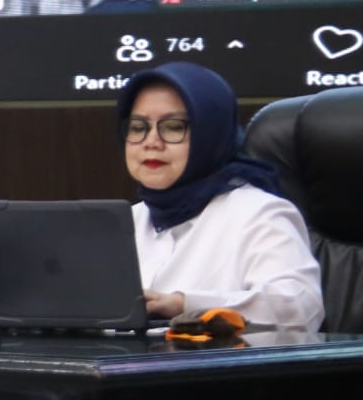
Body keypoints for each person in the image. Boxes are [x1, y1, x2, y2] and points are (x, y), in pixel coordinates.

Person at [116, 61, 322, 329]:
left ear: (210, 134)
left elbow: (300, 307)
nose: (151, 142)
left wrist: (184, 304)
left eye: (173, 127)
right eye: (137, 127)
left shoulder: (260, 214)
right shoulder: (125, 221)